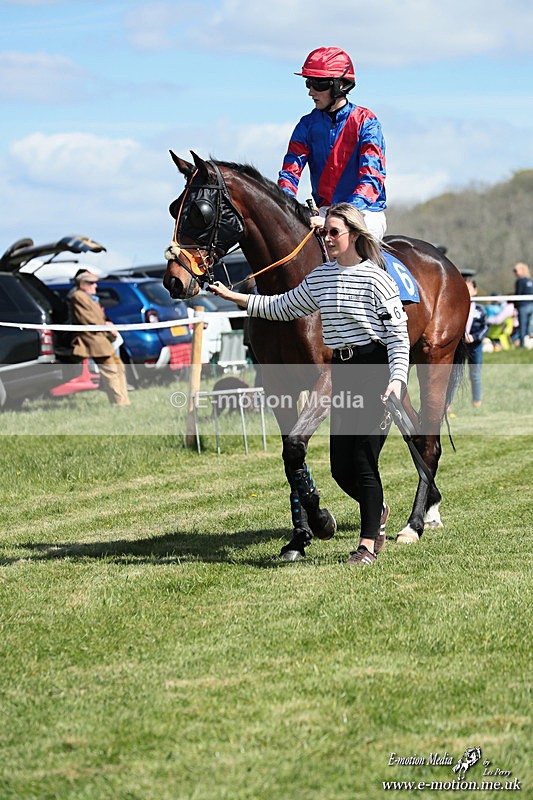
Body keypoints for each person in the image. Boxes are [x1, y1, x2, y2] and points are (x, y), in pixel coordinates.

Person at [208, 203, 409, 565]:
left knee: (363, 460)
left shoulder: (377, 278)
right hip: (342, 371)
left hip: (374, 369)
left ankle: (366, 546)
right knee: (339, 468)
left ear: (354, 235)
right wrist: (233, 297)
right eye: (324, 232)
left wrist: (396, 379)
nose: (326, 238)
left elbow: (397, 335)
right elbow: (282, 306)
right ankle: (377, 510)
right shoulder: (321, 277)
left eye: (334, 232)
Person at [277, 46, 387, 241]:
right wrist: (285, 207)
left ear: (340, 86)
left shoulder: (366, 122)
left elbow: (371, 178)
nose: (310, 92)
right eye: (308, 83)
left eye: (317, 84)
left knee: (350, 245)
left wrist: (339, 217)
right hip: (324, 211)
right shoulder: (306, 125)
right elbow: (289, 174)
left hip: (364, 212)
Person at [68, 270, 130, 407]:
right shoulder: (78, 296)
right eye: (91, 283)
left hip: (103, 339)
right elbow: (89, 319)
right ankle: (119, 403)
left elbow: (98, 318)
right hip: (94, 340)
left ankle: (125, 402)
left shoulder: (89, 297)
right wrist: (107, 326)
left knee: (119, 367)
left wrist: (107, 325)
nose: (95, 285)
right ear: (82, 284)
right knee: (111, 371)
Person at [455, 279, 489, 409]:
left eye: (469, 289)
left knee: (475, 375)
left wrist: (474, 337)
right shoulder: (457, 308)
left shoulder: (480, 310)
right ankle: (448, 404)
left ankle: (477, 401)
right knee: (455, 376)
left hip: (475, 347)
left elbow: (485, 327)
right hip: (461, 346)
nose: (466, 291)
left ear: (475, 291)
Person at [512, 262, 533, 347]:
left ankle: (522, 344)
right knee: (529, 326)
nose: (514, 272)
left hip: (523, 306)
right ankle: (528, 344)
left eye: (515, 270)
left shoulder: (520, 281)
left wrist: (515, 306)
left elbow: (518, 294)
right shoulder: (529, 281)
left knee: (523, 326)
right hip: (530, 305)